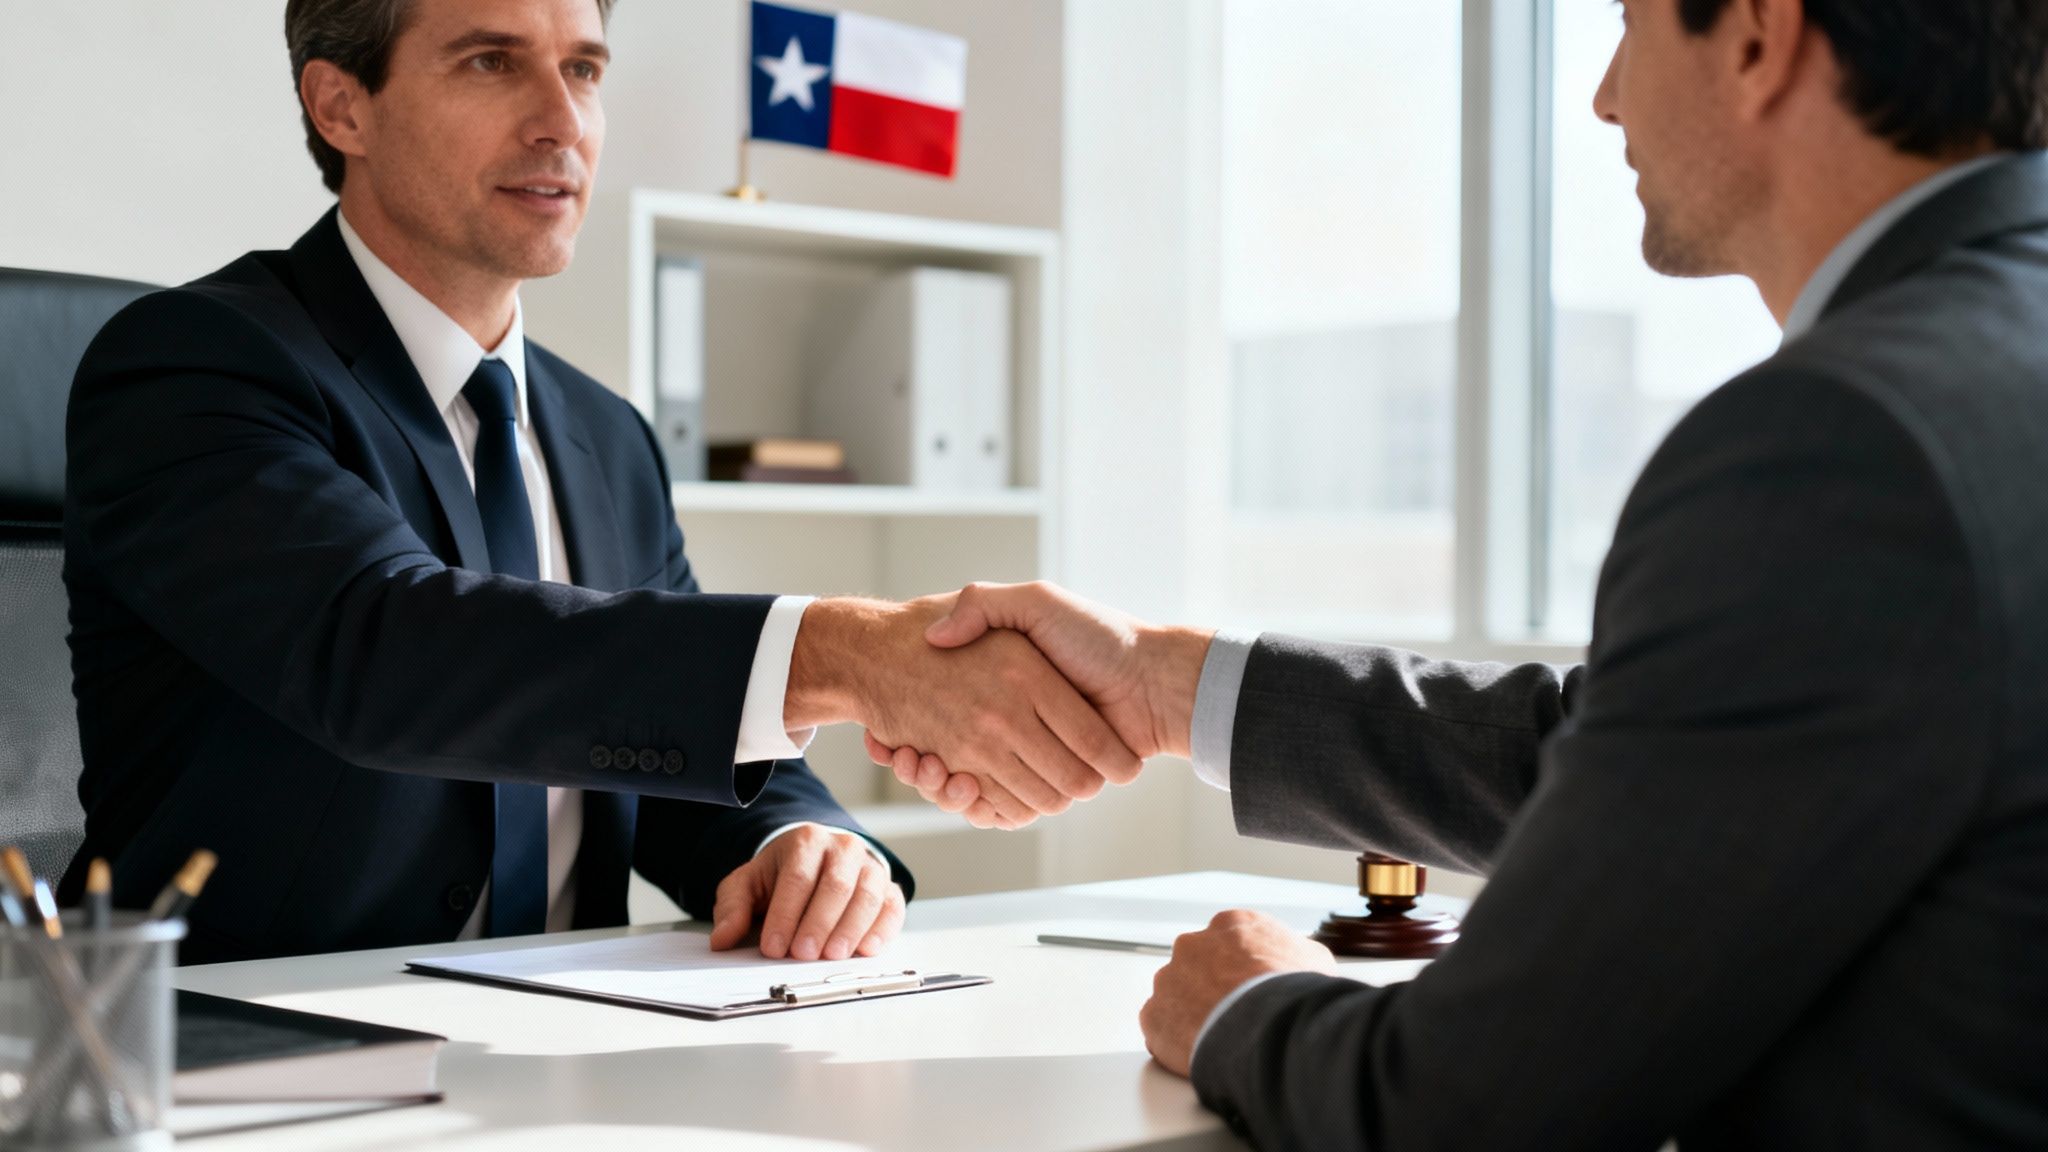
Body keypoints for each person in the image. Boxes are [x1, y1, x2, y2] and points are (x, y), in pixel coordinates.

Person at [873, 0, 2048, 1145]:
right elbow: (1665, 756)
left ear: (1753, 33)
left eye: (1625, 24)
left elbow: (1476, 1105)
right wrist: (1167, 683)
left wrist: (1242, 1004)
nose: (1596, 97)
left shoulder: (1843, 439)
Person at [58, 0, 1137, 965]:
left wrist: (800, 842)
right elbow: (385, 652)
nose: (560, 121)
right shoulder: (194, 362)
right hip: (236, 1059)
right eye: (490, 62)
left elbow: (645, 732)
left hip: (557, 1050)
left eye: (583, 70)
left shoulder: (605, 433)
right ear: (342, 106)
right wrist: (844, 653)